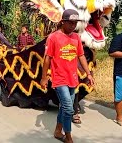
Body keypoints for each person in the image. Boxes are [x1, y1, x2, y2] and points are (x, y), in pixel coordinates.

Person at [40, 9, 94, 143]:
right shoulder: (53, 37)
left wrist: (88, 73)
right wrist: (44, 77)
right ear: (63, 22)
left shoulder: (76, 37)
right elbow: (47, 59)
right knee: (69, 109)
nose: (73, 26)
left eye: (75, 23)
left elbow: (81, 56)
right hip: (59, 79)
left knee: (64, 107)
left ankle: (58, 131)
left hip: (72, 79)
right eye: (70, 23)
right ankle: (68, 136)